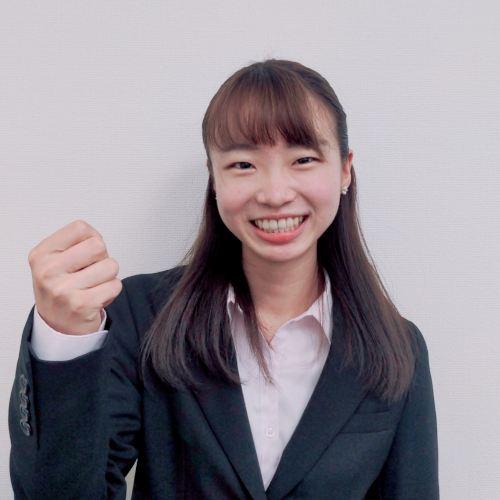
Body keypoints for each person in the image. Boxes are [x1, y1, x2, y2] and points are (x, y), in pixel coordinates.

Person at [9, 59, 439, 499]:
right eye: (243, 164)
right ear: (213, 178)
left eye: (304, 159)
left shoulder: (398, 349)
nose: (275, 194)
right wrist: (63, 341)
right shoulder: (141, 317)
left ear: (345, 170)